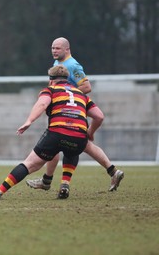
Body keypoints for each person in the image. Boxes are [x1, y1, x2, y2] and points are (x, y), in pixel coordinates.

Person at [0, 64, 104, 199]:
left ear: (51, 80)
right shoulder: (81, 95)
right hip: (79, 136)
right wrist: (90, 132)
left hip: (57, 133)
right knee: (72, 149)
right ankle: (65, 184)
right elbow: (99, 116)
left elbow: (42, 104)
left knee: (30, 164)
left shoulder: (51, 90)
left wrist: (29, 121)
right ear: (68, 79)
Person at [26, 37, 124, 192]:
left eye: (58, 48)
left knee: (65, 144)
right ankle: (112, 171)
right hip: (64, 110)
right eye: (52, 48)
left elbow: (86, 86)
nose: (54, 51)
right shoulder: (57, 64)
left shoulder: (73, 65)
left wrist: (66, 96)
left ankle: (47, 181)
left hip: (70, 111)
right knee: (80, 145)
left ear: (67, 49)